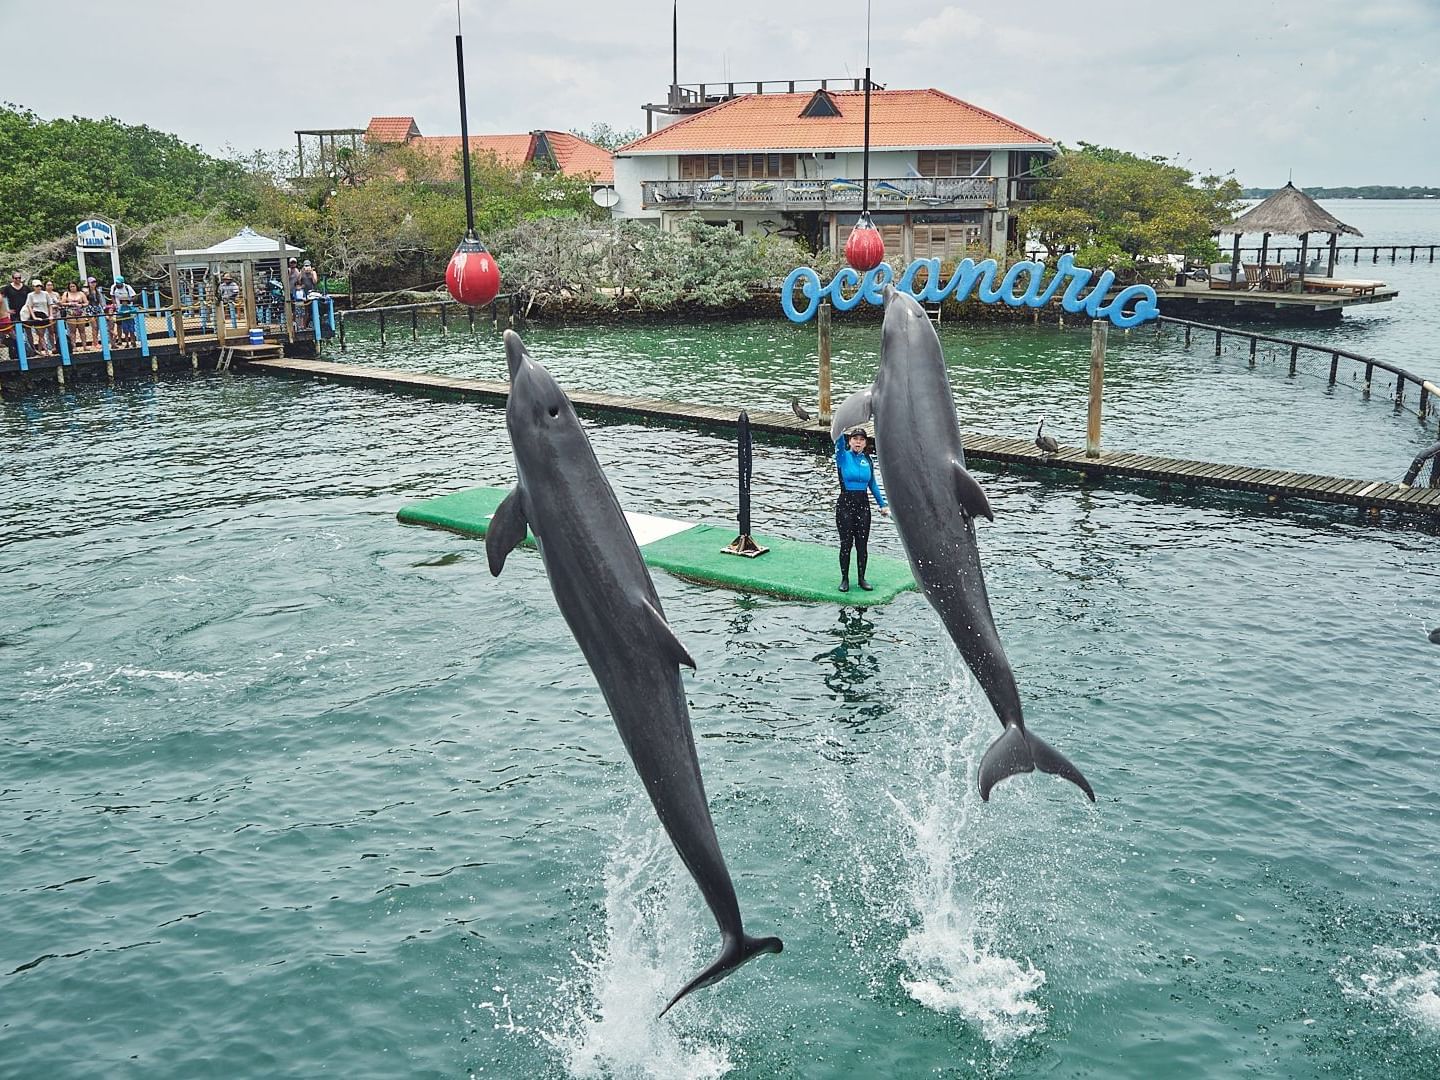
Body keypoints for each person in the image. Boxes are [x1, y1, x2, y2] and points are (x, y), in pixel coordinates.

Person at [834, 426, 889, 592]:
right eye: (855, 439)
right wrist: (840, 425)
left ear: (865, 443)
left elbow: (872, 484)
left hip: (863, 506)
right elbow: (837, 439)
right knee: (846, 544)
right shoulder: (842, 457)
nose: (858, 442)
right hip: (845, 504)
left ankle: (861, 578)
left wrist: (882, 504)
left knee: (862, 544)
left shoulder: (868, 461)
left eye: (861, 440)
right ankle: (844, 579)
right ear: (849, 441)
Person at [109, 274, 138, 347]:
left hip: (128, 309)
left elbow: (134, 296)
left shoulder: (127, 287)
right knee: (119, 324)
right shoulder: (114, 287)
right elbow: (112, 295)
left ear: (122, 283)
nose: (117, 284)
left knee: (130, 325)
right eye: (116, 283)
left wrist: (127, 301)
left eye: (119, 283)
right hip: (119, 309)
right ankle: (119, 339)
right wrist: (114, 304)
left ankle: (132, 340)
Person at [60, 281, 90, 348]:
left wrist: (81, 305)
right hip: (70, 313)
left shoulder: (81, 293)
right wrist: (69, 304)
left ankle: (85, 346)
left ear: (76, 286)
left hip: (80, 312)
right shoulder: (66, 294)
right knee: (72, 331)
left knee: (82, 330)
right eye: (71, 286)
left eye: (74, 286)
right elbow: (62, 303)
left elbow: (86, 302)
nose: (72, 288)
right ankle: (74, 346)